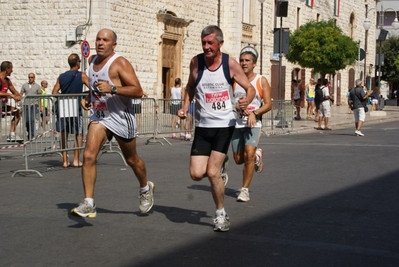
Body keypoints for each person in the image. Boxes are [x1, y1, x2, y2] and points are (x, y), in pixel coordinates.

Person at [177, 25, 255, 232]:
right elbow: (190, 86)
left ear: (220, 43)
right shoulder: (196, 62)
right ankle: (221, 167)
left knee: (212, 172)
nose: (206, 46)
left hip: (224, 124)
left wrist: (246, 101)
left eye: (210, 43)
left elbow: (250, 88)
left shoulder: (230, 64)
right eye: (203, 42)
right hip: (203, 126)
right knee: (196, 174)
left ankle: (220, 214)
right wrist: (185, 107)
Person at [71, 28, 154, 218]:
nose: (100, 43)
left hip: (120, 117)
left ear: (113, 44)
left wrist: (113, 88)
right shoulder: (91, 61)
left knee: (132, 159)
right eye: (98, 39)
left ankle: (145, 188)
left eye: (105, 40)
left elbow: (138, 91)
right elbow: (95, 87)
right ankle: (89, 203)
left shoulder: (120, 63)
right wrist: (88, 97)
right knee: (89, 155)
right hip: (100, 117)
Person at [231, 46, 272, 202]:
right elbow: (230, 100)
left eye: (247, 60)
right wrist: (236, 107)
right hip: (237, 123)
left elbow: (268, 104)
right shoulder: (234, 80)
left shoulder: (261, 80)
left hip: (253, 124)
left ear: (254, 64)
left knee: (248, 156)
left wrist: (255, 114)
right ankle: (257, 154)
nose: (243, 63)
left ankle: (244, 190)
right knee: (238, 159)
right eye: (241, 60)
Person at [52, 53, 89, 168]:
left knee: (64, 133)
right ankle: (76, 160)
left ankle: (65, 161)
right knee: (79, 133)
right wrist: (84, 96)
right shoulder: (81, 75)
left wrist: (64, 96)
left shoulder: (61, 76)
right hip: (75, 107)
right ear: (77, 63)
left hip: (63, 107)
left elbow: (54, 92)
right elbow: (93, 87)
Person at [0, 61, 22, 142]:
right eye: (11, 69)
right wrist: (10, 95)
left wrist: (19, 96)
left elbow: (15, 92)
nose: (12, 71)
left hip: (3, 106)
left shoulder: (8, 81)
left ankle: (12, 134)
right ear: (7, 69)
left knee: (18, 112)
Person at [20, 73, 41, 140]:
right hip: (26, 105)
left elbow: (40, 97)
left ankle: (31, 136)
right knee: (27, 120)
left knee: (32, 119)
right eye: (29, 77)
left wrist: (40, 106)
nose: (30, 78)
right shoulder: (24, 85)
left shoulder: (37, 86)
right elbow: (21, 94)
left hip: (34, 105)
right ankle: (29, 132)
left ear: (34, 78)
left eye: (31, 77)